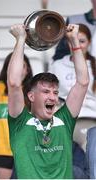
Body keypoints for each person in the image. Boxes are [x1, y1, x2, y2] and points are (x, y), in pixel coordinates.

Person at [7, 23, 89, 179]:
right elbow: (14, 83)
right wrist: (20, 40)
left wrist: (74, 41)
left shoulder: (64, 120)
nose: (52, 97)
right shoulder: (20, 122)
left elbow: (83, 83)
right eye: (45, 92)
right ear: (31, 96)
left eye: (55, 92)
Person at [49, 23, 96, 178]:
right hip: (64, 121)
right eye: (74, 41)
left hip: (91, 121)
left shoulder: (94, 64)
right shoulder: (57, 65)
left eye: (82, 41)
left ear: (89, 43)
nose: (78, 45)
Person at [0, 49, 33, 179]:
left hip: (28, 150)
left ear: (28, 70)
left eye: (22, 66)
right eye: (14, 66)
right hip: (2, 150)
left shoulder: (34, 91)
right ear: (8, 69)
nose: (18, 70)